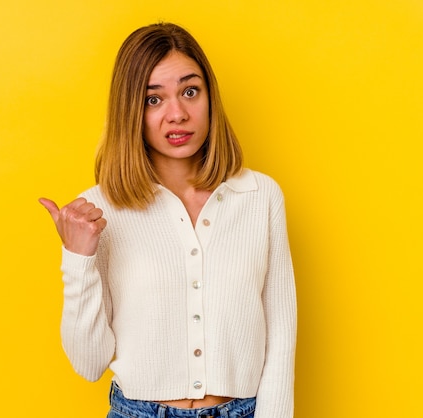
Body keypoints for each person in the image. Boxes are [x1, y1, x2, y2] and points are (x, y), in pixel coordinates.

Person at [39, 22, 296, 418]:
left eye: (189, 91)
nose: (177, 114)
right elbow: (89, 365)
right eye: (153, 100)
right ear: (131, 112)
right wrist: (78, 259)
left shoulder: (260, 197)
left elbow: (280, 336)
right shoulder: (98, 211)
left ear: (210, 96)